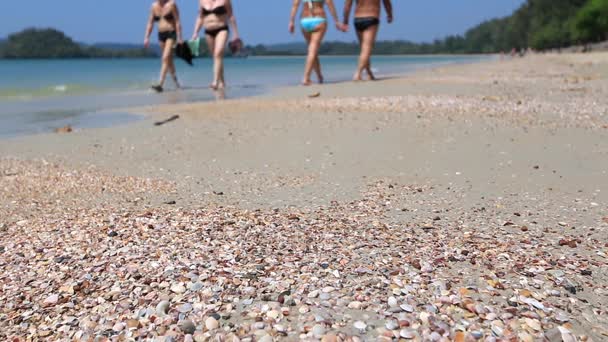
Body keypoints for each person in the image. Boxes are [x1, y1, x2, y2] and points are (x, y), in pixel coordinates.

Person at [290, 0, 347, 86]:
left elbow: (295, 4)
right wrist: (336, 21)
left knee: (312, 51)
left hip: (304, 20)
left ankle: (319, 76)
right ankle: (306, 78)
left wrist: (291, 21)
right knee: (312, 49)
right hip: (319, 18)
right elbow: (329, 3)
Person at [192, 0, 240, 90]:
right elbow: (200, 17)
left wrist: (235, 34)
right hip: (208, 32)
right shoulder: (202, 1)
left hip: (222, 29)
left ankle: (215, 82)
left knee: (218, 54)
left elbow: (231, 16)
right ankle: (222, 81)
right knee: (216, 57)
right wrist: (195, 32)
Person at [343, 0, 393, 81]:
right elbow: (387, 2)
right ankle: (358, 73)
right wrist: (389, 14)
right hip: (371, 17)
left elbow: (347, 5)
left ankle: (369, 73)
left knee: (364, 48)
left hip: (357, 19)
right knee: (367, 47)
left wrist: (345, 20)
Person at [144, 0, 183, 92]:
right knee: (169, 61)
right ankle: (177, 83)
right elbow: (150, 22)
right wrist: (146, 37)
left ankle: (160, 84)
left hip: (171, 33)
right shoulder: (154, 6)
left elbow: (177, 21)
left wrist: (180, 37)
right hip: (161, 35)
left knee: (165, 57)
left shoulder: (172, 4)